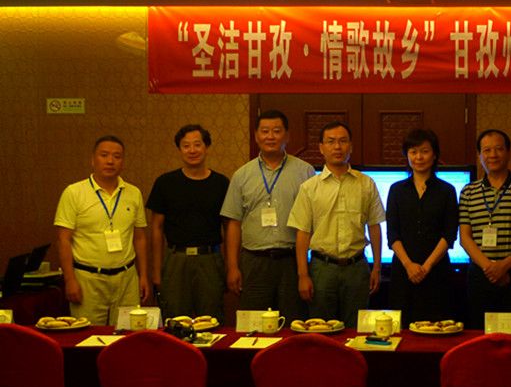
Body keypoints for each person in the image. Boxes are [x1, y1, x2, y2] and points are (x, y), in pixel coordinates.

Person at [287, 121, 385, 328]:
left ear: (351, 146)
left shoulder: (366, 184)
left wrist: (376, 267)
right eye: (331, 142)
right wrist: (303, 275)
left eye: (343, 141)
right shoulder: (309, 188)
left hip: (357, 268)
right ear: (321, 148)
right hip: (322, 269)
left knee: (357, 329)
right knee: (321, 328)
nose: (337, 147)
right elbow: (302, 234)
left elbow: (374, 226)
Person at [220, 110, 315, 319]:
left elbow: (313, 221)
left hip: (292, 261)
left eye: (276, 131)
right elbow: (233, 223)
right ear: (256, 136)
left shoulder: (305, 172)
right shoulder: (242, 175)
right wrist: (232, 267)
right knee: (253, 323)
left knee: (293, 322)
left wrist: (305, 271)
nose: (270, 136)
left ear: (287, 136)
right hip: (254, 261)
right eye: (265, 131)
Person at [54, 135, 149, 325]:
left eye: (117, 156)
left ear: (123, 162)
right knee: (87, 335)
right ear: (93, 160)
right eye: (104, 155)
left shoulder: (133, 193)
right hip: (88, 279)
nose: (110, 161)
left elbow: (139, 238)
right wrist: (69, 280)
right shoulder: (74, 192)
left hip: (126, 278)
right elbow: (63, 240)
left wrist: (143, 275)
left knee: (127, 334)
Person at [459, 129, 511, 329]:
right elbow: (465, 237)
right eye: (487, 150)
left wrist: (505, 265)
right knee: (479, 332)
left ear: (509, 152)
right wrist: (490, 268)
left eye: (498, 149)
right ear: (479, 155)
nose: (493, 155)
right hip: (480, 274)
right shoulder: (468, 192)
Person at [146, 124, 230, 320]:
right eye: (186, 146)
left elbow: (229, 228)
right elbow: (156, 228)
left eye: (197, 144)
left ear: (206, 147)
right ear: (179, 149)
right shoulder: (165, 182)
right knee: (175, 320)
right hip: (176, 259)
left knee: (211, 319)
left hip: (210, 259)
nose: (192, 150)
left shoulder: (221, 183)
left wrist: (229, 266)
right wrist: (156, 270)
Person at [386, 129, 459, 325]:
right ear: (407, 155)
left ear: (434, 155)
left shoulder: (447, 191)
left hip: (437, 272)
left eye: (425, 151)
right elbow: (392, 234)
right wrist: (409, 265)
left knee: (437, 328)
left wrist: (426, 267)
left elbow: (449, 234)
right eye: (413, 152)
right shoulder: (396, 190)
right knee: (402, 328)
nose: (419, 157)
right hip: (403, 271)